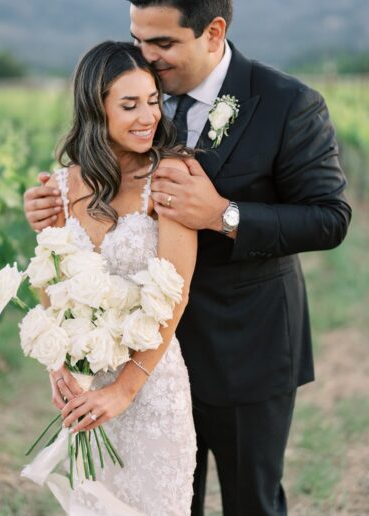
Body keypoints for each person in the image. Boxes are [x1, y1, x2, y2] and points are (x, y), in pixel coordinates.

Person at [24, 1, 352, 514]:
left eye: (162, 44)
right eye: (138, 39)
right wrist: (51, 209)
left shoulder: (289, 102)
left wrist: (225, 214)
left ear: (213, 32)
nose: (146, 57)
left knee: (251, 503)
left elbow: (330, 217)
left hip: (247, 347)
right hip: (143, 357)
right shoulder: (137, 97)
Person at [37, 41, 198, 515]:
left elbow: (177, 293)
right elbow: (49, 282)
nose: (147, 116)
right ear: (95, 109)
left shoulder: (169, 175)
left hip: (152, 388)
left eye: (152, 101)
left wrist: (125, 389)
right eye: (129, 105)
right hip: (86, 392)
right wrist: (58, 369)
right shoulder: (62, 186)